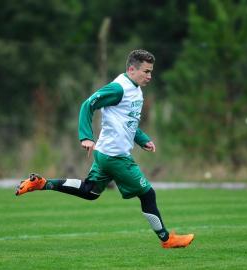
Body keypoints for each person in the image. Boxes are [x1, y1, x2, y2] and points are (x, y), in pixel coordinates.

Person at [15, 49, 194, 249]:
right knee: (147, 194)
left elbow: (127, 121)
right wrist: (85, 136)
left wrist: (142, 139)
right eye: (146, 71)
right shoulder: (119, 88)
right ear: (131, 69)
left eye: (151, 71)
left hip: (105, 154)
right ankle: (167, 240)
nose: (150, 76)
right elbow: (87, 104)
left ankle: (42, 183)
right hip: (116, 157)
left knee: (90, 191)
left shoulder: (136, 89)